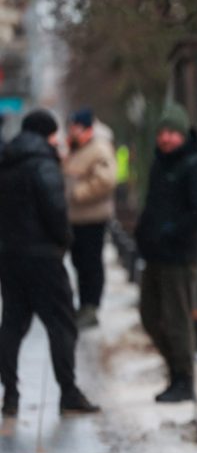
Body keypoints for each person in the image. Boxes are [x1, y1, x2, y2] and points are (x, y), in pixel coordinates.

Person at [0, 109, 100, 416]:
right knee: (61, 324)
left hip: (10, 258)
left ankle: (11, 395)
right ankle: (68, 392)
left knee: (13, 326)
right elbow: (55, 211)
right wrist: (64, 241)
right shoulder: (43, 164)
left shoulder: (6, 161)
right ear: (47, 134)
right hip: (43, 259)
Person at [134, 103, 197, 403]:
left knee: (177, 320)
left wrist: (171, 231)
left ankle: (183, 379)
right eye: (162, 132)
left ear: (181, 134)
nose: (165, 138)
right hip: (154, 255)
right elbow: (151, 205)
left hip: (179, 257)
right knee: (150, 317)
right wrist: (143, 233)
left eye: (171, 133)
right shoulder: (159, 164)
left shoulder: (195, 165)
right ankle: (174, 370)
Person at [63, 107, 118, 329]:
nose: (72, 131)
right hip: (76, 218)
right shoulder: (76, 147)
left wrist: (77, 194)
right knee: (79, 262)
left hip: (91, 218)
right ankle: (84, 305)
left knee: (90, 264)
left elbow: (106, 180)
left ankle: (91, 307)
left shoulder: (99, 147)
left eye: (75, 127)